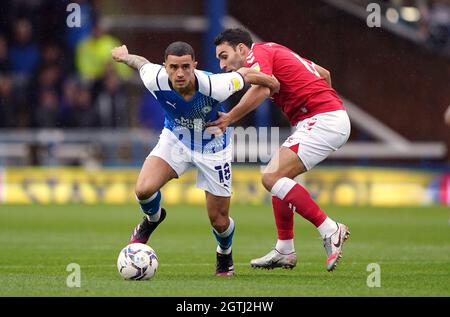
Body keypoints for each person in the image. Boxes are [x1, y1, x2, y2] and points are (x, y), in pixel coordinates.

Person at [111, 41, 279, 276]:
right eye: (173, 67)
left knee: (219, 222)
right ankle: (152, 219)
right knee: (143, 189)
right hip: (176, 139)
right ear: (165, 67)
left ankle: (224, 252)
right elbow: (141, 64)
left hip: (213, 146)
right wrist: (124, 55)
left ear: (194, 66)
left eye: (185, 67)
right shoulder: (154, 78)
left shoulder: (215, 85)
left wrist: (271, 82)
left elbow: (244, 74)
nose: (179, 73)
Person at [211, 28, 351, 272]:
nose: (222, 65)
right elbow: (324, 74)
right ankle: (285, 249)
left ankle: (330, 229)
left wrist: (229, 118)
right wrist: (327, 104)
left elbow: (264, 88)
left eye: (224, 56)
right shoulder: (277, 51)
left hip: (323, 120)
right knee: (277, 176)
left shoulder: (258, 53)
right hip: (325, 118)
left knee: (271, 177)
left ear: (242, 49)